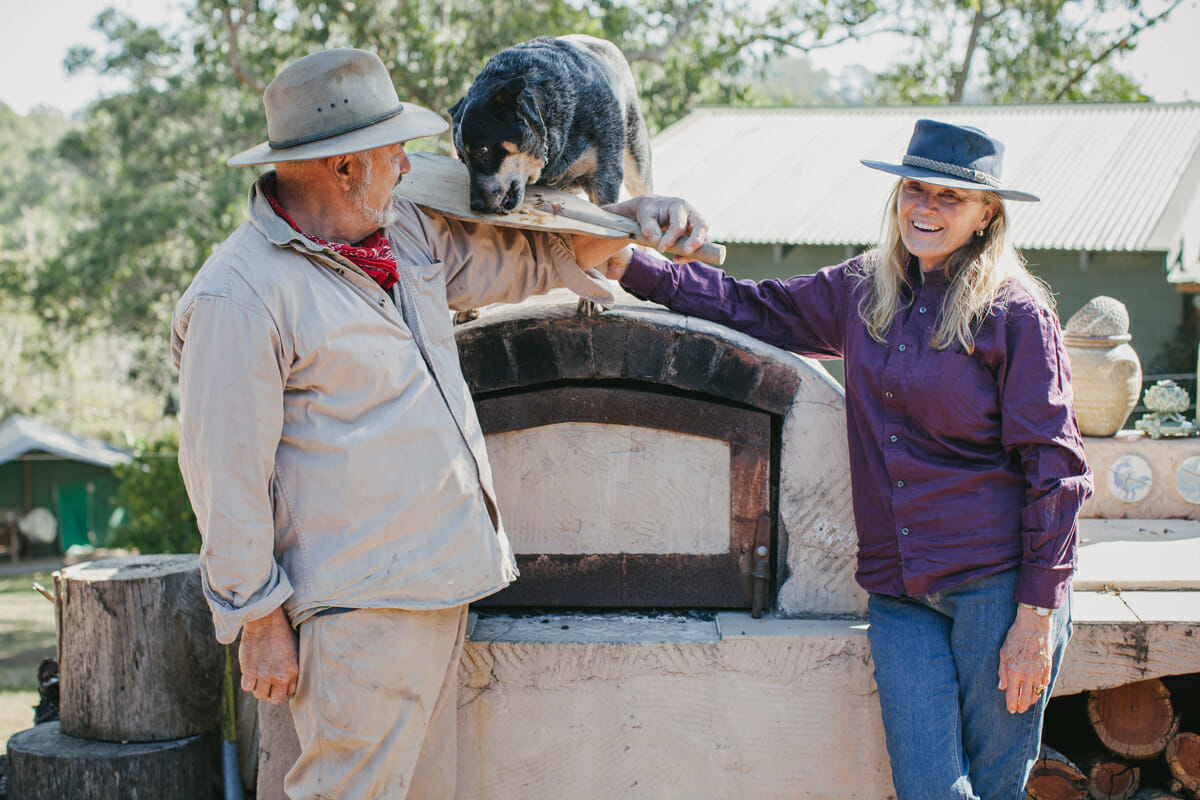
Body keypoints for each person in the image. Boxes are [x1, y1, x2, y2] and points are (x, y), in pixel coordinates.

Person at [171, 47, 706, 800]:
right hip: (355, 614)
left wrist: (627, 222)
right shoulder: (242, 293)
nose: (407, 161)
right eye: (392, 148)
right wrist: (256, 620)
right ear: (345, 167)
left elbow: (527, 263)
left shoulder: (403, 236)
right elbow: (223, 476)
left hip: (432, 589)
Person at [605, 119, 1091, 799]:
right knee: (931, 791)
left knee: (993, 786)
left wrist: (1036, 617)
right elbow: (750, 307)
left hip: (998, 590)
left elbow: (1056, 472)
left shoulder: (1015, 314)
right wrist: (623, 264)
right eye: (914, 189)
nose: (925, 207)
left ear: (987, 216)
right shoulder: (863, 289)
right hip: (900, 593)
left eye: (950, 197)